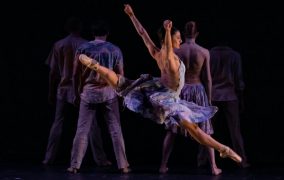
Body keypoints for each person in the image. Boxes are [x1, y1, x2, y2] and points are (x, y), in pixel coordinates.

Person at [78, 4, 242, 171]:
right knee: (193, 128)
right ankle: (223, 149)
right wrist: (168, 30)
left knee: (122, 83)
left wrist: (132, 15)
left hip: (155, 89)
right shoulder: (170, 57)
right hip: (167, 98)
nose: (180, 40)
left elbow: (142, 33)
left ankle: (97, 67)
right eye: (178, 38)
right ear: (170, 39)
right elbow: (169, 49)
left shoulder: (156, 53)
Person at [43, 17, 111, 167]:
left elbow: (53, 72)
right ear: (80, 28)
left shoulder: (59, 44)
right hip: (81, 88)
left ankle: (48, 158)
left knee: (58, 122)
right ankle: (100, 159)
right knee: (91, 124)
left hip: (63, 87)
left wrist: (50, 91)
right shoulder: (86, 45)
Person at [67, 18, 130, 174]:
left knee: (82, 130)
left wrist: (76, 92)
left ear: (93, 33)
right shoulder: (115, 50)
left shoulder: (83, 48)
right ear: (107, 33)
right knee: (115, 129)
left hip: (88, 92)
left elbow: (75, 75)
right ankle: (123, 165)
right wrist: (122, 95)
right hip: (109, 92)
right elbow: (120, 75)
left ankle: (74, 165)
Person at [159, 21, 222, 175]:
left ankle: (162, 165)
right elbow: (207, 78)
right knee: (205, 130)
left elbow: (166, 73)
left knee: (172, 130)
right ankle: (213, 167)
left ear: (183, 34)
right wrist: (209, 100)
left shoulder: (176, 51)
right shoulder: (204, 52)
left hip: (180, 90)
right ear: (197, 34)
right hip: (198, 90)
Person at [209, 41, 250, 168]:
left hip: (213, 95)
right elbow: (238, 79)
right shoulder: (235, 55)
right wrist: (241, 99)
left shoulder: (209, 54)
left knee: (207, 131)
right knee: (235, 131)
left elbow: (206, 77)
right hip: (230, 95)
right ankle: (242, 161)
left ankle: (203, 161)